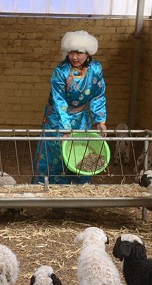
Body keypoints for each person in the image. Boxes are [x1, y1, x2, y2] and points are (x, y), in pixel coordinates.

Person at [32, 30, 107, 185]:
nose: (74, 57)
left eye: (79, 53)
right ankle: (48, 194)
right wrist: (65, 128)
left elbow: (98, 95)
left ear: (88, 53)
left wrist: (100, 120)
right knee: (54, 154)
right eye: (71, 52)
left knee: (81, 152)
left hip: (81, 118)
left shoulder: (95, 69)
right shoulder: (61, 72)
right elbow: (59, 101)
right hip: (57, 119)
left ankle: (79, 195)